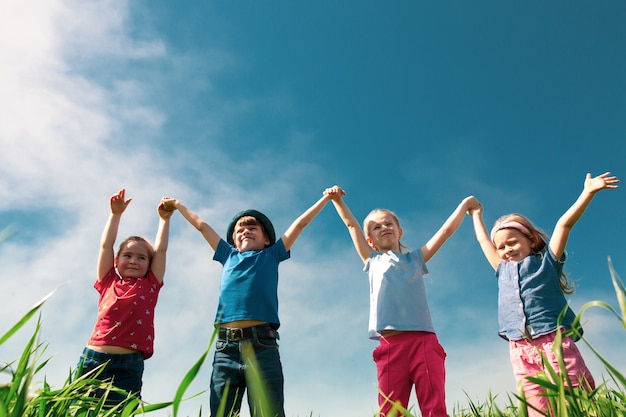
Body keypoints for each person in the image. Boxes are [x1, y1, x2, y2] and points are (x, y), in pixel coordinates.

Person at [161, 190, 333, 417]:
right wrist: (177, 204)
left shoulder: (272, 255)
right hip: (225, 350)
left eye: (252, 228)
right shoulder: (227, 255)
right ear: (233, 240)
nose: (245, 231)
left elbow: (300, 224)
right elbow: (202, 225)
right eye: (240, 230)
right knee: (221, 412)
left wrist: (326, 198)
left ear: (267, 239)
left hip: (262, 345)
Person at [469, 172, 619, 417]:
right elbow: (483, 241)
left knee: (575, 401)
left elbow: (564, 224)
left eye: (512, 242)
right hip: (520, 348)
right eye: (502, 247)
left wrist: (588, 192)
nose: (506, 250)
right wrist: (476, 215)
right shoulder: (502, 269)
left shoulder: (546, 262)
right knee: (537, 408)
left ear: (530, 240)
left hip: (554, 341)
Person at [325, 185, 479, 417]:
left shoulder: (416, 259)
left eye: (388, 223)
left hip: (424, 343)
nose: (384, 227)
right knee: (390, 411)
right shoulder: (372, 260)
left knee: (434, 408)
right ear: (370, 239)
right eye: (376, 227)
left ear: (400, 231)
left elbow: (446, 231)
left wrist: (465, 205)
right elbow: (351, 225)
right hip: (390, 347)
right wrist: (337, 200)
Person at [76, 189, 173, 405]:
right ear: (116, 260)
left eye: (141, 258)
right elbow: (106, 246)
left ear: (149, 264)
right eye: (127, 256)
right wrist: (115, 215)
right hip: (94, 360)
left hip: (129, 366)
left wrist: (164, 220)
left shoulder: (150, 285)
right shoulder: (107, 281)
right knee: (81, 409)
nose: (133, 261)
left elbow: (161, 251)